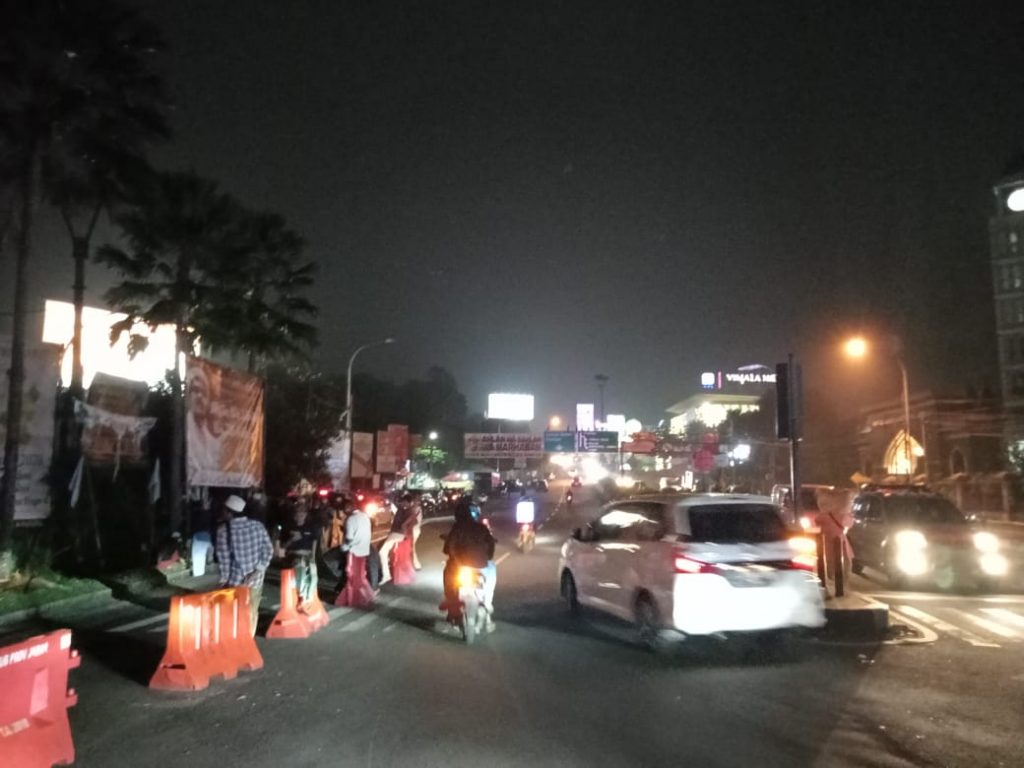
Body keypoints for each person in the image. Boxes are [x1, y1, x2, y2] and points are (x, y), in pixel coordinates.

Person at [215, 494, 274, 636]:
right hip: (256, 580)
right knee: (251, 612)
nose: (223, 512)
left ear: (230, 512)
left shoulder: (223, 531)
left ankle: (235, 642)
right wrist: (257, 570)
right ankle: (248, 641)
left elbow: (224, 561)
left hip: (235, 582)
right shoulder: (258, 526)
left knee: (233, 614)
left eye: (224, 510)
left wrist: (223, 582)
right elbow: (269, 550)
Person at [442, 499, 497, 631]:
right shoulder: (481, 527)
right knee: (492, 569)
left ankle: (452, 610)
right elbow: (491, 544)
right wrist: (488, 557)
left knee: (449, 581)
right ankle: (487, 601)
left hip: (460, 566)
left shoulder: (457, 528)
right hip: (481, 565)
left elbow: (447, 548)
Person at [281, 500, 320, 604]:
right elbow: (283, 546)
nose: (300, 515)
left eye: (302, 512)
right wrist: (291, 540)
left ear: (306, 514)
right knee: (300, 571)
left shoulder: (310, 527)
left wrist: (313, 556)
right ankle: (300, 596)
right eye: (298, 513)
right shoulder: (289, 527)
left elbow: (314, 542)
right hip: (294, 556)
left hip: (307, 555)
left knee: (313, 577)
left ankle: (307, 597)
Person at [378, 494, 417, 584]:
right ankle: (388, 572)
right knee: (391, 553)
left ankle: (386, 575)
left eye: (404, 502)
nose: (402, 503)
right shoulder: (407, 510)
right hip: (400, 534)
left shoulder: (406, 511)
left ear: (408, 502)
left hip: (397, 533)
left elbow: (404, 524)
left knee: (382, 552)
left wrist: (403, 528)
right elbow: (414, 522)